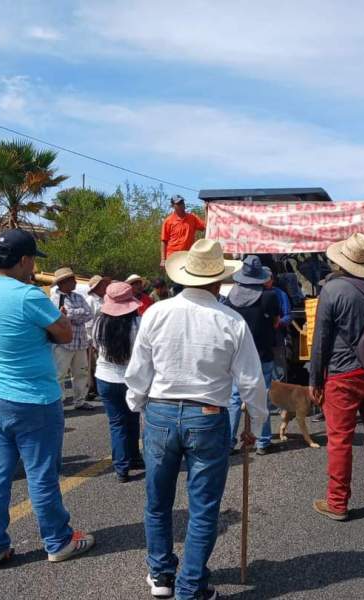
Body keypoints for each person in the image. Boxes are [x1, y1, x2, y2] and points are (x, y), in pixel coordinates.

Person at [125, 238, 267, 600]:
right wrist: (258, 424)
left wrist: (137, 403)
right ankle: (190, 586)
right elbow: (251, 381)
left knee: (158, 501)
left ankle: (161, 575)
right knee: (203, 506)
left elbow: (139, 370)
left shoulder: (156, 312)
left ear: (185, 274)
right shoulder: (231, 320)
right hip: (207, 415)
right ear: (219, 281)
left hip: (160, 410)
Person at [0, 229, 95, 573]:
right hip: (32, 398)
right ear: (25, 260)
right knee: (41, 474)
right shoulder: (29, 295)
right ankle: (58, 541)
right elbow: (66, 332)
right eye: (32, 261)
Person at [309, 233, 364, 520]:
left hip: (342, 376)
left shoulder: (333, 291)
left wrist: (315, 380)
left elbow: (320, 340)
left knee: (340, 441)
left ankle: (338, 503)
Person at [225, 255, 280, 455]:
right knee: (261, 395)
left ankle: (229, 442)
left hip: (236, 354)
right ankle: (262, 441)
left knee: (234, 398)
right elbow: (275, 322)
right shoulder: (269, 296)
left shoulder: (231, 296)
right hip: (262, 352)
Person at [92, 282, 144, 483]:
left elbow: (96, 346)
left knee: (117, 422)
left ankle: (122, 465)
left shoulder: (99, 323)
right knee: (132, 418)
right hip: (131, 378)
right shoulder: (138, 324)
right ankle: (133, 458)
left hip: (105, 377)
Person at [51, 268, 94, 410]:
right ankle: (59, 402)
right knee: (60, 373)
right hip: (63, 342)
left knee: (81, 372)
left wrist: (72, 314)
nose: (75, 283)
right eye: (72, 280)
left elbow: (89, 314)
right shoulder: (55, 298)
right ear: (63, 282)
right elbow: (65, 316)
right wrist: (75, 314)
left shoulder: (78, 297)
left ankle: (80, 400)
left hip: (80, 340)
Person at [159, 195, 206, 268]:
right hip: (173, 257)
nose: (181, 205)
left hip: (188, 256)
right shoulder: (168, 221)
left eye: (182, 202)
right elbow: (164, 241)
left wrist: (207, 210)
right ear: (172, 206)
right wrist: (163, 259)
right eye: (178, 203)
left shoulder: (192, 218)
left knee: (188, 278)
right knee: (174, 279)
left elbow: (205, 227)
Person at [264, 267, 292, 383]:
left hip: (277, 338)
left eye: (267, 278)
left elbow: (288, 316)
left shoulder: (281, 294)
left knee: (278, 374)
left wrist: (279, 322)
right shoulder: (255, 294)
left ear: (272, 279)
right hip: (260, 342)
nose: (265, 281)